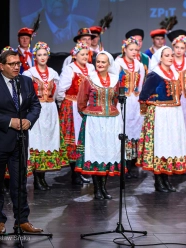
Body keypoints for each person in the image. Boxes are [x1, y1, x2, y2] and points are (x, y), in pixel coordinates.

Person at [0, 48, 42, 234]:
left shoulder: (26, 81)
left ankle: (22, 220)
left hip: (20, 140)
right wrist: (9, 121)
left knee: (20, 182)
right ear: (1, 65)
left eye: (18, 64)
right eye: (12, 64)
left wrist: (29, 120)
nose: (16, 67)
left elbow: (35, 105)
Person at [137, 46, 186, 193]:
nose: (170, 58)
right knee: (160, 146)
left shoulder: (174, 73)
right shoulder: (155, 75)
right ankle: (158, 181)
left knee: (170, 146)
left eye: (171, 55)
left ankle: (166, 179)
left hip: (173, 114)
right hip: (160, 115)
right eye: (167, 55)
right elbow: (143, 96)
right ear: (160, 58)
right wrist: (154, 103)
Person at [75, 51, 121, 200]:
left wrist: (110, 112)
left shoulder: (115, 80)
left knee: (107, 151)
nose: (100, 64)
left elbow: (115, 100)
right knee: (96, 152)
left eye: (103, 62)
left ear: (109, 64)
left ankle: (103, 187)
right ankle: (97, 189)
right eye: (98, 62)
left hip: (110, 121)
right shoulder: (89, 80)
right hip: (94, 120)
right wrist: (90, 116)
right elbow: (81, 103)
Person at [23, 42, 68, 190]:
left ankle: (42, 176)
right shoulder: (29, 73)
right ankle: (37, 177)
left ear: (48, 56)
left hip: (50, 109)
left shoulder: (53, 73)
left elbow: (56, 94)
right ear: (35, 56)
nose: (42, 57)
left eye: (44, 54)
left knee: (48, 139)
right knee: (37, 139)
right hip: (36, 109)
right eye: (39, 54)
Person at [57, 42, 95, 185]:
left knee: (84, 138)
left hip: (86, 106)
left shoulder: (91, 68)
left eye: (87, 54)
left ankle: (83, 170)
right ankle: (75, 173)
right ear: (75, 56)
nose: (85, 57)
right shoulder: (70, 69)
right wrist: (64, 104)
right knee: (73, 139)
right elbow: (61, 90)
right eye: (82, 54)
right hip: (72, 106)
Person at [114, 36, 145, 179]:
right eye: (131, 49)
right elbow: (114, 82)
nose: (133, 52)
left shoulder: (139, 65)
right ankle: (122, 165)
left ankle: (131, 164)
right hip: (122, 100)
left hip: (134, 101)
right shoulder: (118, 63)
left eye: (136, 50)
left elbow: (140, 86)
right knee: (122, 129)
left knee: (134, 131)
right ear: (124, 49)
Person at [21, 0, 94, 46]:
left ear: (75, 2)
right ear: (43, 1)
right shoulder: (29, 24)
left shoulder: (86, 23)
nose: (59, 1)